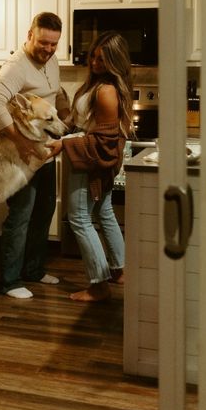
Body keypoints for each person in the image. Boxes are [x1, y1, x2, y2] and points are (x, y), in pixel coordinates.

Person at [0, 12, 70, 299]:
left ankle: (33, 270)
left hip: (41, 150)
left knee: (45, 208)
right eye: (43, 42)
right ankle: (8, 281)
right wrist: (20, 141)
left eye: (53, 44)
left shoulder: (50, 60)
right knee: (21, 213)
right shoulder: (16, 66)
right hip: (20, 154)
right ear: (29, 34)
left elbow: (51, 93)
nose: (48, 49)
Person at [50, 31, 133, 302]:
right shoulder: (96, 86)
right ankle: (120, 271)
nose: (95, 63)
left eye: (102, 59)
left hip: (88, 162)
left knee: (80, 218)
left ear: (115, 61)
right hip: (89, 158)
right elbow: (83, 123)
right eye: (94, 57)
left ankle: (99, 285)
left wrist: (65, 145)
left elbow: (104, 140)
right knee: (104, 211)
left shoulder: (106, 91)